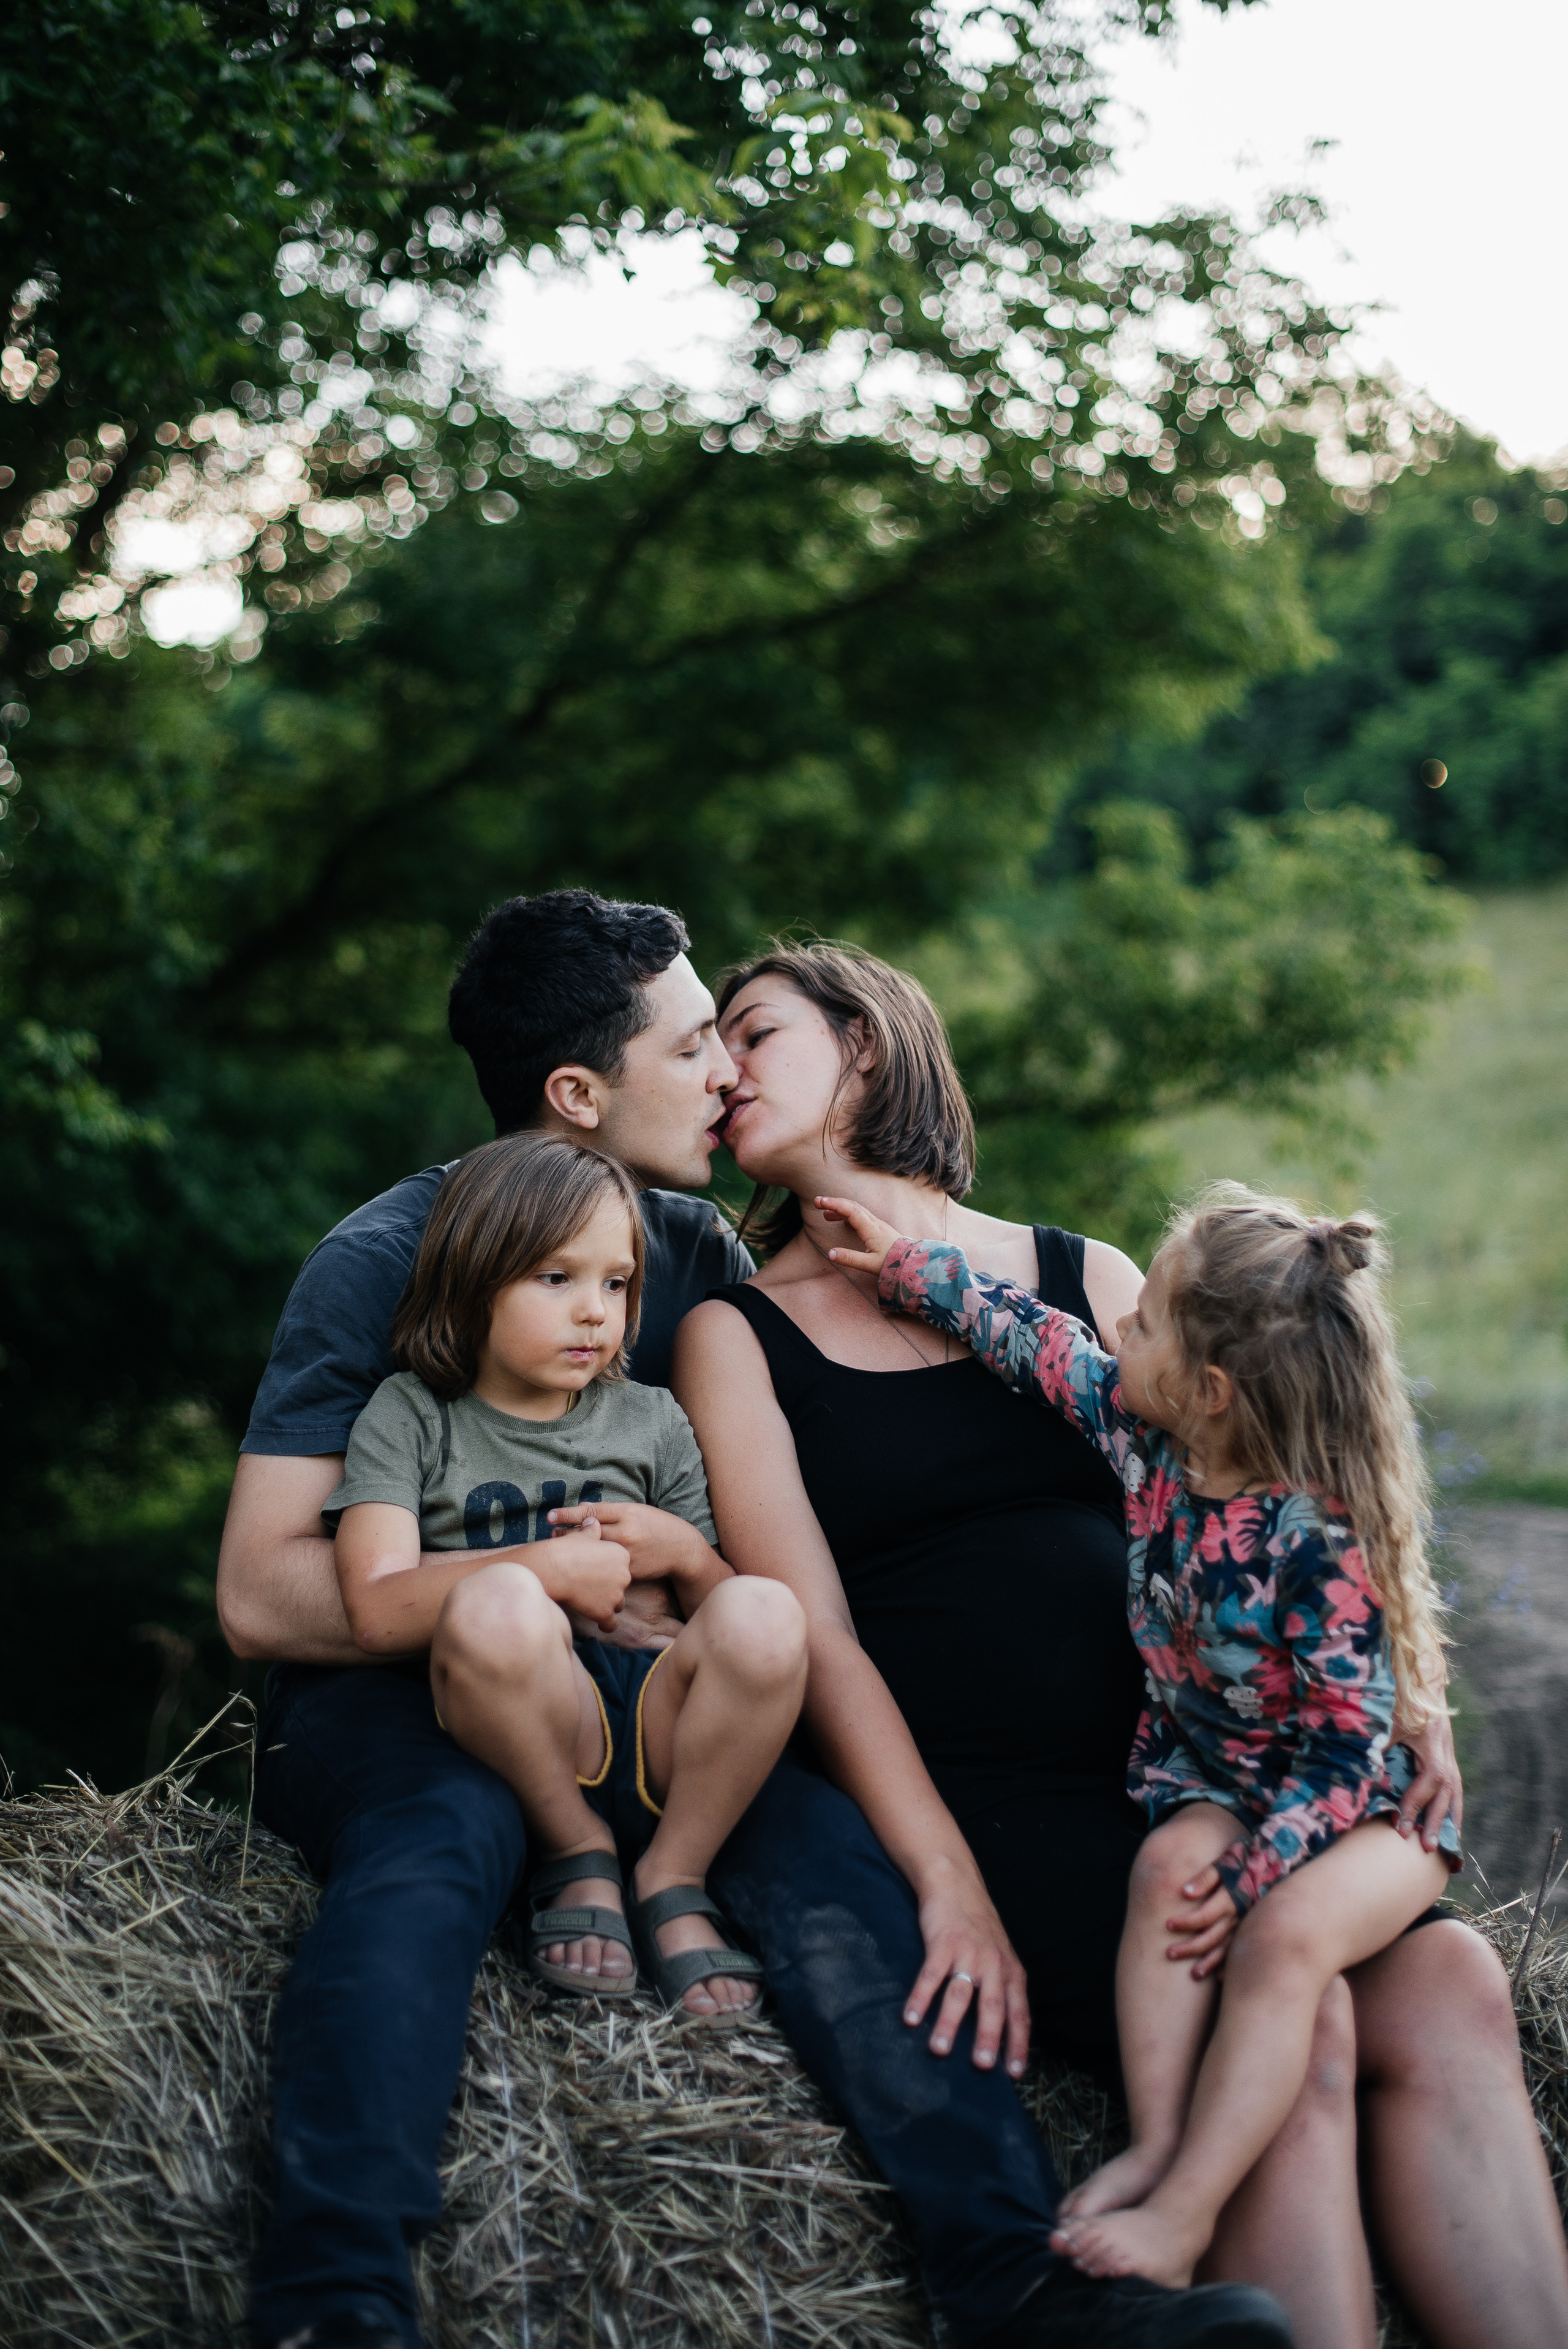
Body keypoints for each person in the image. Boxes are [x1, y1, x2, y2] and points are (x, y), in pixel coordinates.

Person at [221, 890, 1289, 2349]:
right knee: (438, 1837)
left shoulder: (702, 1259)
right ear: (578, 1093)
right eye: (690, 1048)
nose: (724, 1074)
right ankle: (332, 2290)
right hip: (406, 1693)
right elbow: (256, 1592)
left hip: (648, 1697)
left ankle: (1011, 2280)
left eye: (737, 1042)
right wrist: (520, 1584)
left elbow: (760, 1536)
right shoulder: (390, 1254)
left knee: (831, 1859)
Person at [673, 937, 1568, 2349]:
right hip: (999, 1804)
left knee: (1450, 1980)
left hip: (1212, 1774)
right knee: (1296, 2027)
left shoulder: (1082, 1275)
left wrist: (1415, 1700)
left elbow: (1311, 1488)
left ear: (864, 1043)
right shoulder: (735, 1333)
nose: (719, 1067)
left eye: (751, 1030)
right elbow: (819, 1638)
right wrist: (943, 1882)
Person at [816, 1181, 1461, 2285]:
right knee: (1165, 1869)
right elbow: (1037, 1342)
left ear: (1212, 1390)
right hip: (1221, 1778)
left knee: (1281, 1942)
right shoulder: (1151, 1441)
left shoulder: (1318, 1540)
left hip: (1363, 1814)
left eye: (1148, 1320)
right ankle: (1158, 2145)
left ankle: (1188, 2210)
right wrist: (908, 1267)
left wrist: (1257, 1873)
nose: (1120, 1322)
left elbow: (1348, 1756)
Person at [329, 1130, 799, 2019]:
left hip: (660, 1716)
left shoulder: (653, 1419)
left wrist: (684, 1552)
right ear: (475, 1278)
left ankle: (674, 1873)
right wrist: (544, 1568)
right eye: (556, 1277)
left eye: (616, 1283)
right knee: (500, 1603)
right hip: (534, 1718)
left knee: (769, 1611)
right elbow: (376, 1609)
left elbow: (722, 1619)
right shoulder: (414, 1414)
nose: (594, 1312)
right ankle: (575, 1848)